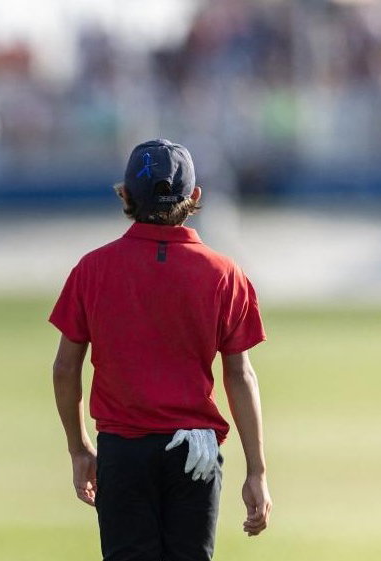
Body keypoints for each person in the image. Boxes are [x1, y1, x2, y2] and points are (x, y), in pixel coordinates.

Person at [49, 139, 271, 561]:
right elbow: (239, 374)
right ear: (196, 197)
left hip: (123, 450)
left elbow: (65, 369)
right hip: (196, 450)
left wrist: (79, 448)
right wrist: (256, 470)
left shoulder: (92, 269)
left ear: (126, 195)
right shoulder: (225, 274)